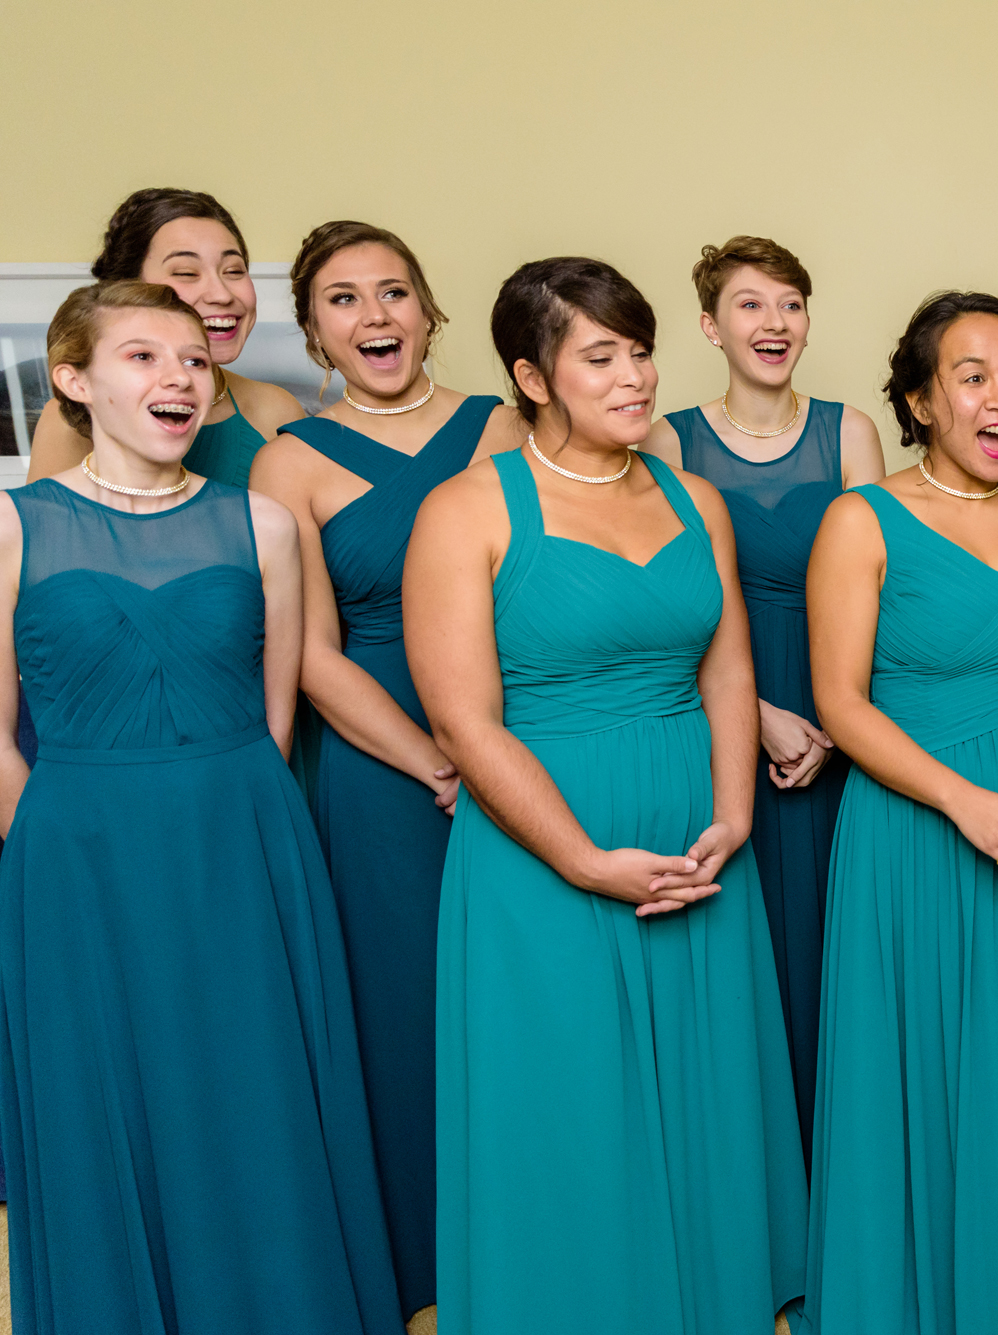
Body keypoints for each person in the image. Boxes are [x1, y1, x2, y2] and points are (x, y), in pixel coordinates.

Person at [408, 257, 805, 1333]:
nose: (634, 376)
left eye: (638, 351)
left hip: (694, 828)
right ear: (533, 379)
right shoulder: (466, 511)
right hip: (542, 846)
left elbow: (726, 669)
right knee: (567, 1102)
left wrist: (731, 817)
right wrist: (581, 858)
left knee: (702, 1093)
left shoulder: (695, 500)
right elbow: (462, 721)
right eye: (600, 356)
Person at [0, 280, 400, 1333]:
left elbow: (274, 721)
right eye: (142, 357)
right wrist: (52, 848)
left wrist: (235, 838)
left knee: (251, 1095)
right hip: (76, 860)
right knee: (105, 1105)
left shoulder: (262, 522)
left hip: (239, 844)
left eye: (191, 357)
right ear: (75, 381)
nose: (178, 376)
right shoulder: (10, 527)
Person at [791, 292, 998, 1335]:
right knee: (923, 1069)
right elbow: (839, 703)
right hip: (915, 829)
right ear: (919, 400)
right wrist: (958, 801)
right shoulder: (861, 520)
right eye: (973, 375)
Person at [248, 219, 518, 1323]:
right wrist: (434, 758)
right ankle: (419, 1265)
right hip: (377, 769)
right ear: (313, 331)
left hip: (516, 735)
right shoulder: (288, 463)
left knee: (516, 997)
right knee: (403, 1012)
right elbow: (307, 653)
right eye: (345, 300)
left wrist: (489, 747)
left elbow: (537, 593)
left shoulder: (501, 426)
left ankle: (527, 1236)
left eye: (394, 293)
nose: (376, 317)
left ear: (428, 311)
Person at [647, 235, 883, 1166]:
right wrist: (757, 717)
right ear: (710, 325)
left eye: (789, 303)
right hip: (722, 709)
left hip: (843, 709)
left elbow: (883, 579)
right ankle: (761, 1174)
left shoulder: (850, 430)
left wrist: (837, 714)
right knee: (746, 953)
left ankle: (844, 1174)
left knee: (840, 947)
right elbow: (670, 599)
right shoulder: (670, 439)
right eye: (750, 305)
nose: (774, 322)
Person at [29, 188, 306, 487]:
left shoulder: (276, 410)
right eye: (186, 273)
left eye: (234, 270)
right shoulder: (75, 418)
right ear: (128, 289)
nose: (221, 294)